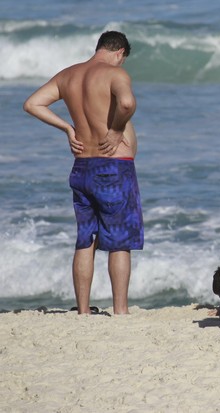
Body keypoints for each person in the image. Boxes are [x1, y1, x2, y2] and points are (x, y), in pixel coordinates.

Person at [23, 31, 142, 315]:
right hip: (113, 166)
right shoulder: (115, 74)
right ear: (120, 53)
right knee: (119, 241)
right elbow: (126, 103)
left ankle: (84, 311)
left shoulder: (68, 75)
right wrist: (114, 131)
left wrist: (67, 127)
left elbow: (32, 104)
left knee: (85, 238)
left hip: (82, 166)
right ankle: (121, 310)